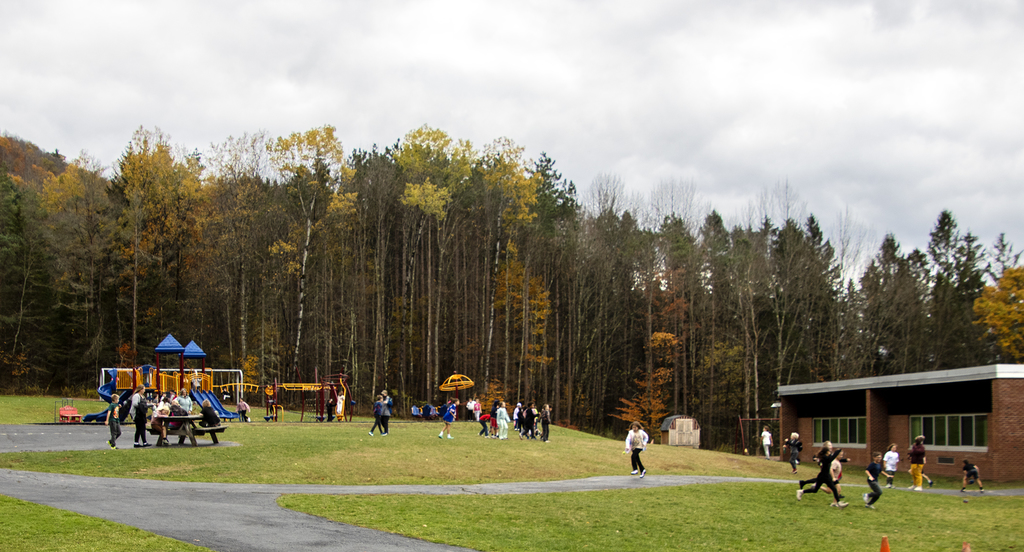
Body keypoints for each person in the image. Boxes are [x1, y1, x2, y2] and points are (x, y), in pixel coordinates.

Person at [796, 442, 847, 508]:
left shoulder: (826, 457)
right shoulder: (825, 458)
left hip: (825, 476)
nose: (830, 452)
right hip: (823, 476)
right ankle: (838, 503)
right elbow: (832, 458)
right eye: (829, 451)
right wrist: (838, 451)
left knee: (818, 490)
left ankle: (801, 491)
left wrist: (838, 452)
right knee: (830, 489)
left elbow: (832, 457)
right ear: (826, 452)